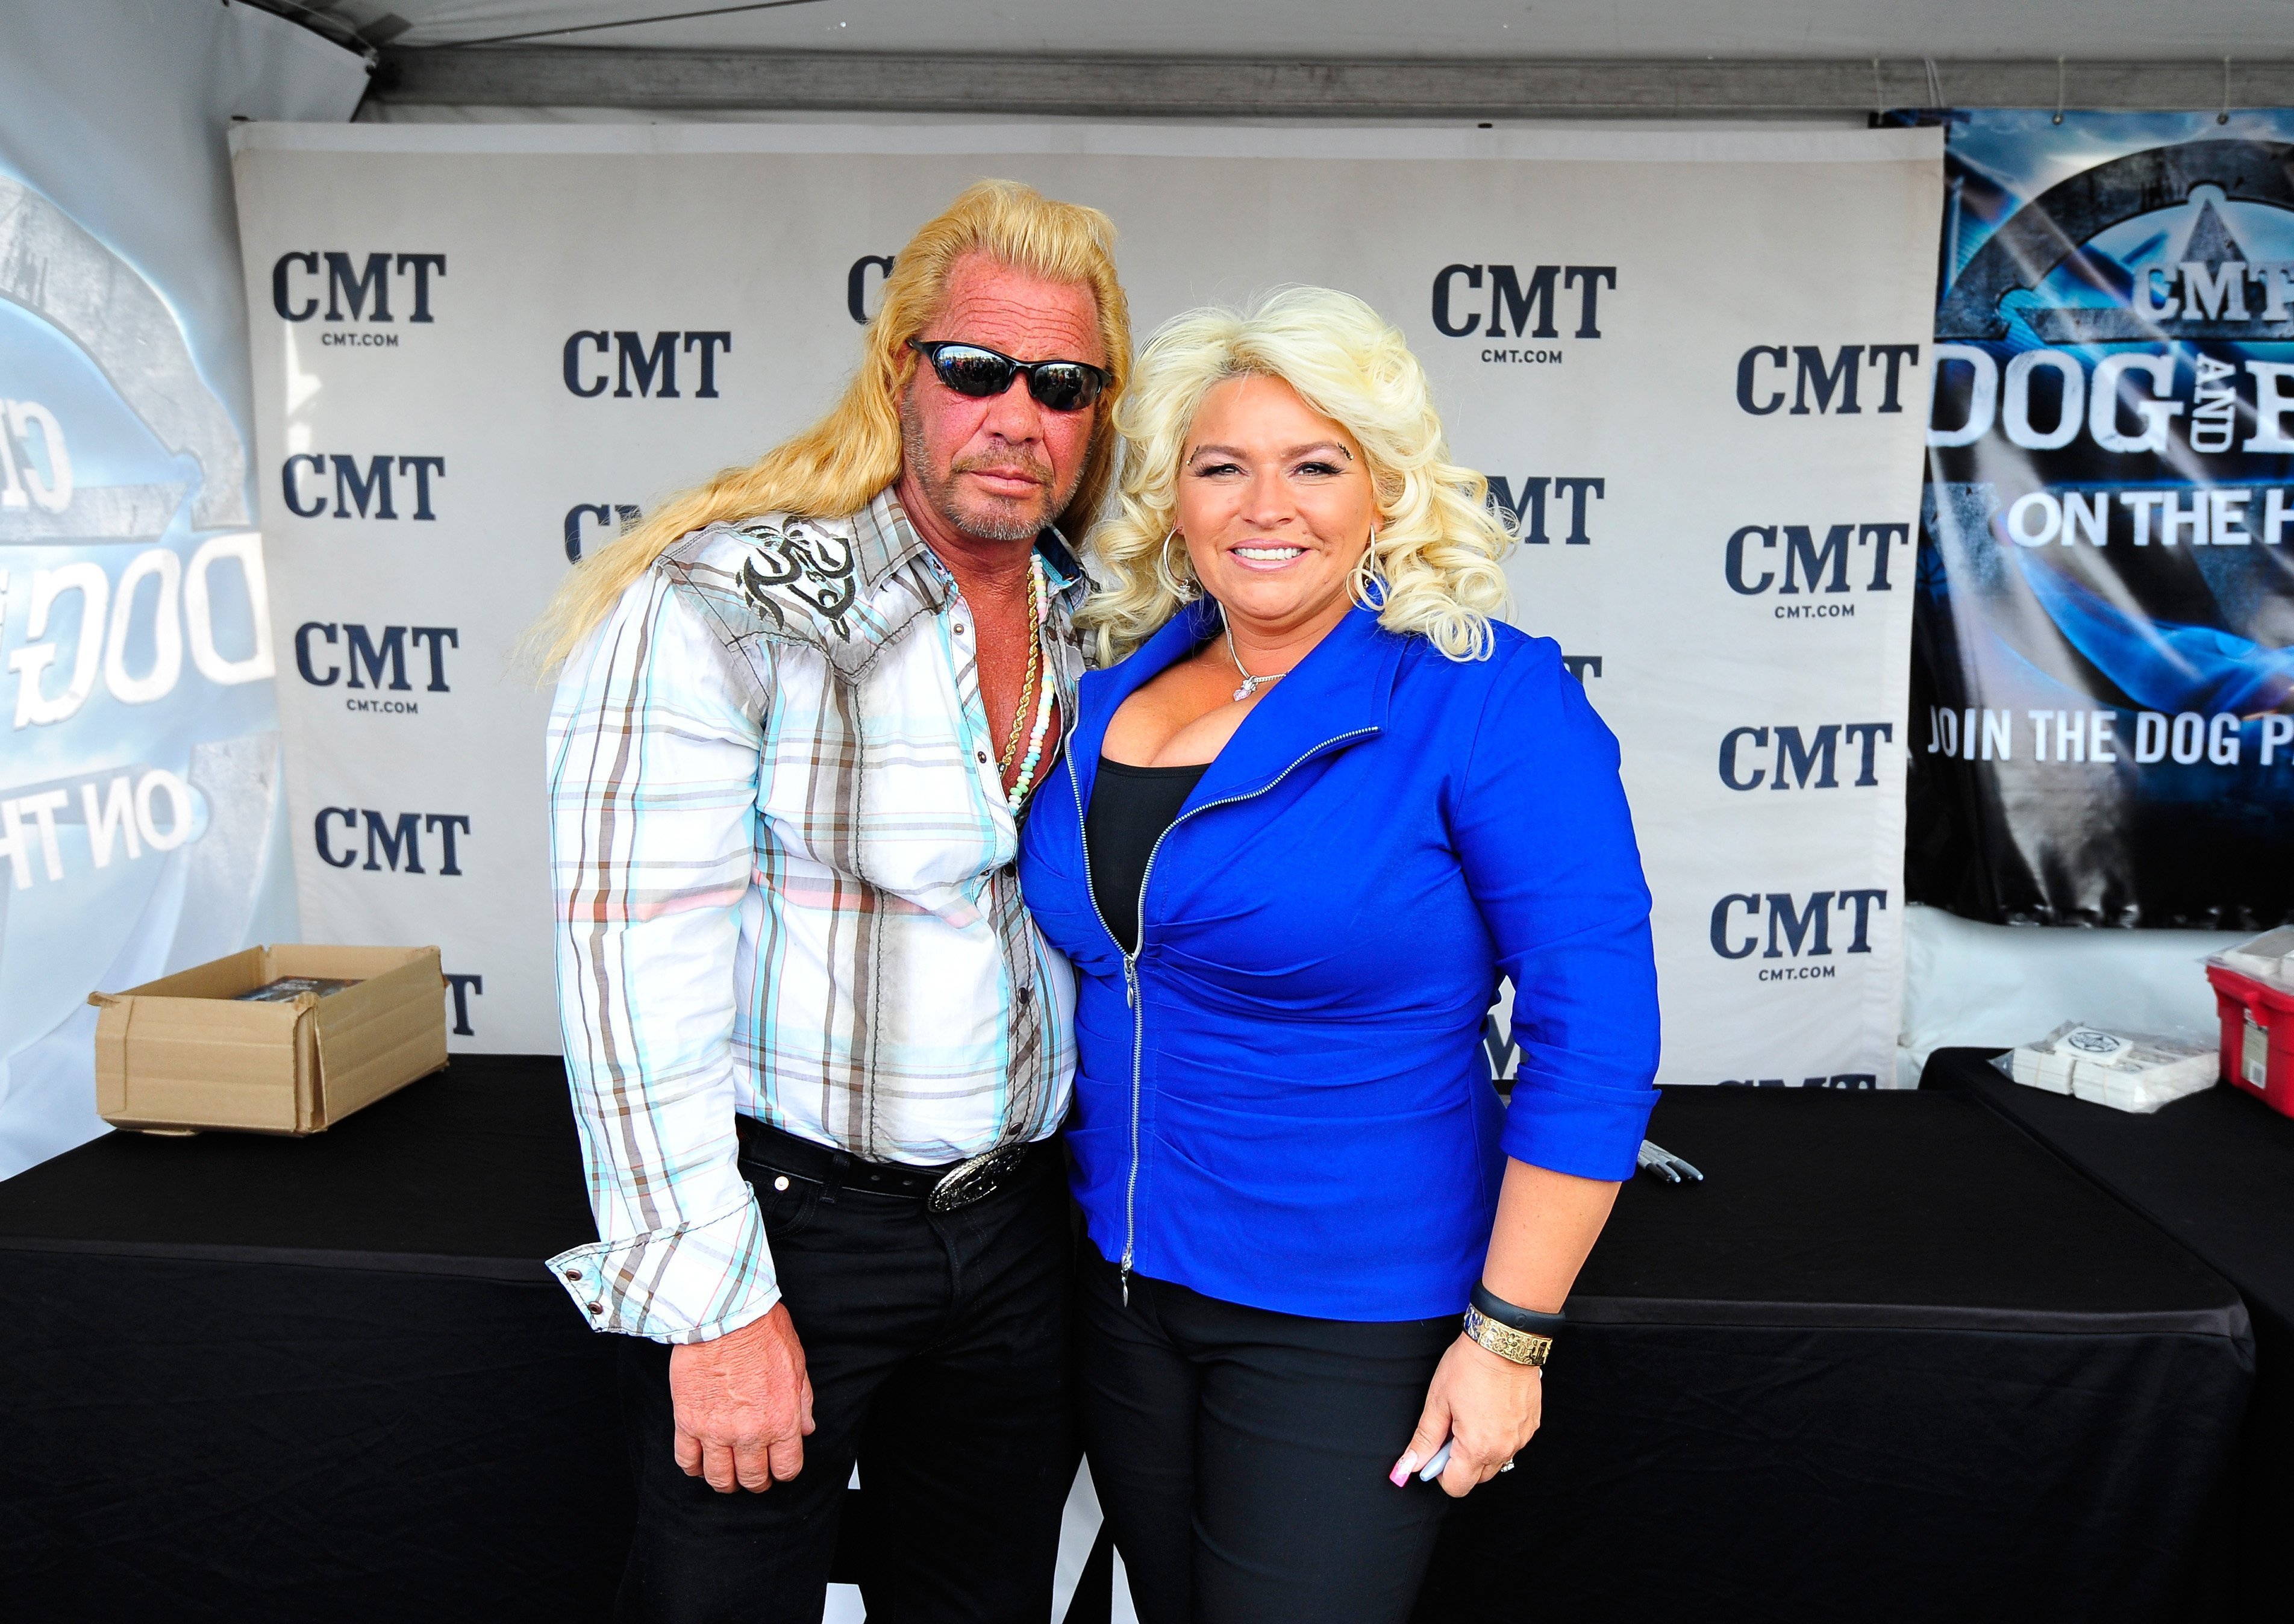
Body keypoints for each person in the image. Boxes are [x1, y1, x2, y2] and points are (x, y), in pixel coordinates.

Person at [530, 180, 1131, 1623]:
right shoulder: (721, 603)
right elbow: (629, 982)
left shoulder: (1095, 616)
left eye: (1062, 385)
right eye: (975, 370)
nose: (1016, 416)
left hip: (1018, 1232)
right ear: (897, 374)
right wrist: (715, 1307)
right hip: (788, 1229)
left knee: (982, 1603)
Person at [1016, 287, 1662, 1623]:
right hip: (1121, 1293)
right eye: (1221, 467)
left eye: (1315, 465)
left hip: (1348, 1318)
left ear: (1384, 492)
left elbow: (1592, 1038)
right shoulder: (1107, 692)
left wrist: (1507, 1338)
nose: (1267, 506)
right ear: (1172, 500)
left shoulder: (1485, 697)